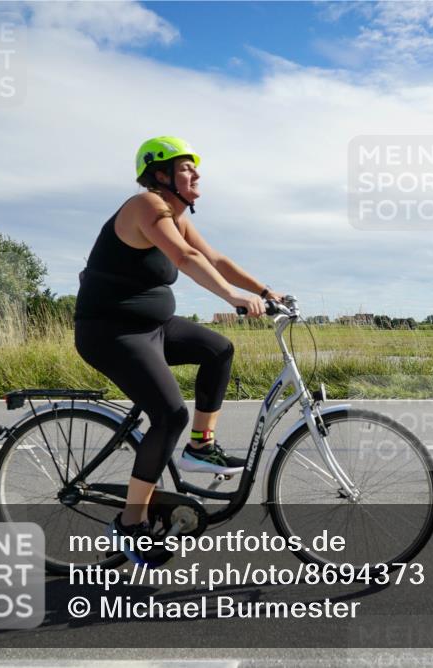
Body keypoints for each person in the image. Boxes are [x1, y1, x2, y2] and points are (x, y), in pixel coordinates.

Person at [73, 136, 282, 562]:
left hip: (153, 327)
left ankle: (200, 448)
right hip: (111, 332)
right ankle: (131, 524)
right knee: (169, 415)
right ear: (161, 174)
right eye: (187, 168)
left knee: (218, 349)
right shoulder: (146, 206)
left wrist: (264, 290)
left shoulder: (176, 216)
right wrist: (232, 299)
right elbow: (185, 258)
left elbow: (215, 259)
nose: (197, 174)